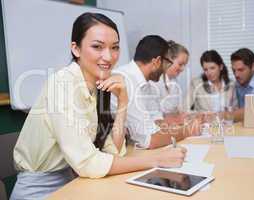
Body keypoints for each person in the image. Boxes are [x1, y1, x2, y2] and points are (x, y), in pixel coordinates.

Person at [10, 13, 186, 200]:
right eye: (97, 47)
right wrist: (156, 160)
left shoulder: (98, 85)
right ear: (76, 49)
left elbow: (112, 150)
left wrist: (123, 103)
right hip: (39, 190)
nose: (109, 57)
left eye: (115, 47)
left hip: (75, 182)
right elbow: (88, 163)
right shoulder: (62, 84)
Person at [111, 35, 203, 150]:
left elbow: (156, 121)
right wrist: (187, 131)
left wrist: (181, 127)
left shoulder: (146, 84)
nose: (166, 69)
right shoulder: (126, 81)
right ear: (157, 62)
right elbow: (149, 140)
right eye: (167, 63)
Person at [151, 40, 189, 115]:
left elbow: (178, 109)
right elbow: (154, 114)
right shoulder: (155, 82)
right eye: (180, 64)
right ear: (169, 59)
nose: (182, 69)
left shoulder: (174, 81)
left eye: (184, 65)